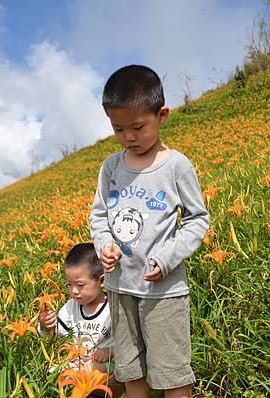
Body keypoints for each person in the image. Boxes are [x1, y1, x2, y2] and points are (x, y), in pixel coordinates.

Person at [89, 65, 210, 398]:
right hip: (119, 288)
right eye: (119, 129)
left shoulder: (176, 166)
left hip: (164, 293)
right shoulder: (110, 167)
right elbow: (99, 216)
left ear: (162, 114)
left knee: (172, 373)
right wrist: (105, 244)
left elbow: (198, 218)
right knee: (130, 369)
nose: (129, 137)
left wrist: (167, 258)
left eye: (138, 127)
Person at [38, 243, 115, 378]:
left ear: (102, 280)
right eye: (69, 284)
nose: (73, 291)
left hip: (108, 364)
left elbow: (130, 344)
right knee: (51, 372)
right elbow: (55, 337)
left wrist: (110, 351)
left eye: (80, 285)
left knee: (91, 369)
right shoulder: (71, 306)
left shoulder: (113, 307)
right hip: (77, 362)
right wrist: (46, 327)